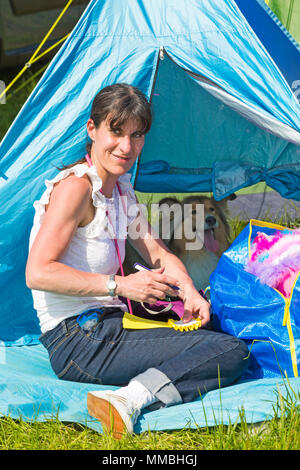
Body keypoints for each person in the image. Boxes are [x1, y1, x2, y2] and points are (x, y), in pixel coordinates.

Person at [26, 83, 249, 439]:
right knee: (228, 350)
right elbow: (37, 272)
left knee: (211, 329)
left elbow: (158, 253)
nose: (127, 147)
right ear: (92, 129)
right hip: (76, 342)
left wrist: (189, 291)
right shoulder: (76, 189)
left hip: (108, 325)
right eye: (116, 131)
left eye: (137, 135)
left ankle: (134, 391)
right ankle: (128, 399)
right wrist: (120, 285)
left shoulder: (119, 188)